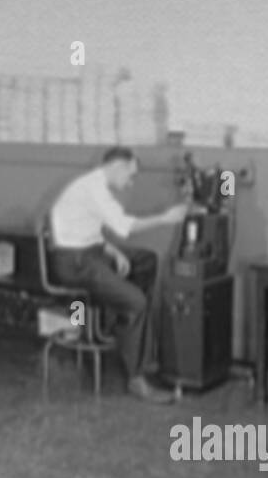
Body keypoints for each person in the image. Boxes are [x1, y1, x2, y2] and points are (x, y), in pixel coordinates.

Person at [48, 147, 188, 403]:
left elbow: (86, 228)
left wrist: (112, 251)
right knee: (137, 301)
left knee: (145, 260)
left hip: (89, 252)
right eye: (130, 175)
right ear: (117, 167)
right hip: (74, 263)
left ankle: (125, 328)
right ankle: (137, 378)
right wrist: (166, 218)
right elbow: (125, 226)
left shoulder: (91, 186)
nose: (129, 182)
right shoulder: (95, 189)